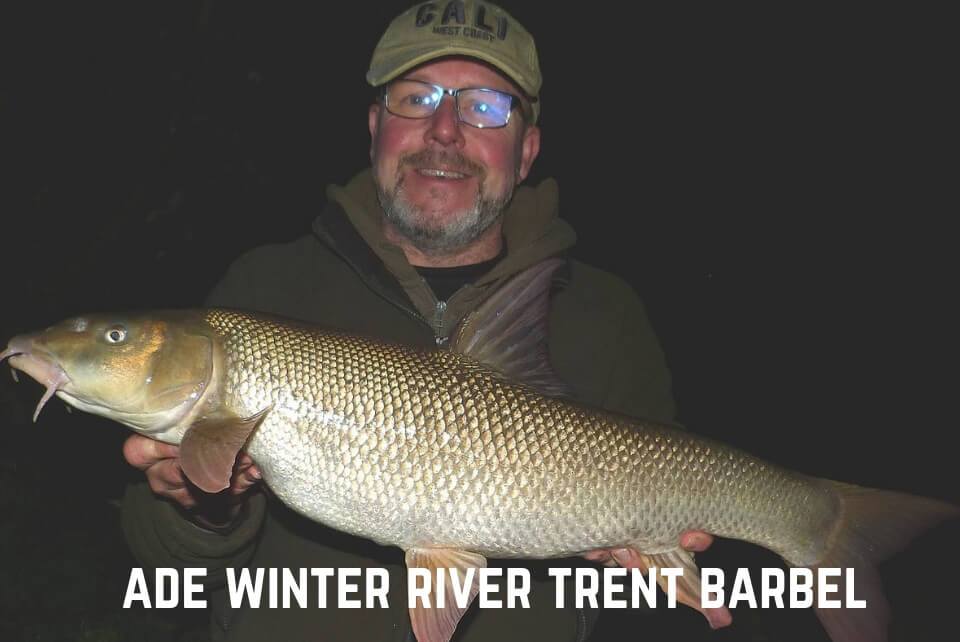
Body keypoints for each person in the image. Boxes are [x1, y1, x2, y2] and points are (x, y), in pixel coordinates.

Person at [121, 2, 712, 640]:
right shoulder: (262, 290)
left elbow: (649, 575)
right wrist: (202, 512)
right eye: (416, 98)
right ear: (375, 126)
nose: (445, 130)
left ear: (527, 150)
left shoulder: (604, 312)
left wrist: (626, 560)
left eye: (484, 105)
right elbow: (162, 572)